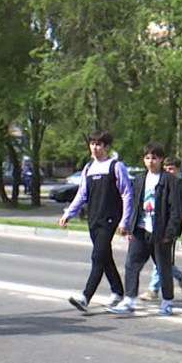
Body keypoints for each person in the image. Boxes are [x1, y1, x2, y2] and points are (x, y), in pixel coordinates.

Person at [59, 130, 133, 312]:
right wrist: (69, 212)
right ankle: (117, 291)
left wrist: (125, 221)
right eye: (92, 144)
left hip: (110, 218)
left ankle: (85, 297)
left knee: (97, 256)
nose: (95, 148)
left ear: (106, 147)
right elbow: (82, 193)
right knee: (105, 256)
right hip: (93, 218)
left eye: (99, 144)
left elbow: (127, 194)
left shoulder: (116, 166)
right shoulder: (88, 168)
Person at [108, 142, 182, 316]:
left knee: (163, 267)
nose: (151, 161)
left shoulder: (169, 181)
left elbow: (175, 209)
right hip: (140, 230)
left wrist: (170, 233)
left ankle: (167, 302)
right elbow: (134, 204)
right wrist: (129, 226)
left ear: (161, 159)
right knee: (131, 265)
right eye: (147, 158)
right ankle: (128, 300)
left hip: (160, 232)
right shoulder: (140, 180)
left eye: (155, 158)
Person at [140, 156, 182, 300]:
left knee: (161, 259)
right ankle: (181, 278)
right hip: (157, 226)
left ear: (177, 170)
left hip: (171, 229)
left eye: (171, 169)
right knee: (162, 260)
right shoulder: (162, 183)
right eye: (166, 168)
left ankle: (153, 289)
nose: (168, 171)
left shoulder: (179, 187)